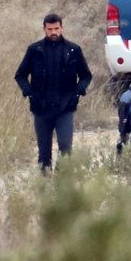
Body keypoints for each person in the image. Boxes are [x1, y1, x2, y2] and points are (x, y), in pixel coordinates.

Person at [13, 11, 94, 174]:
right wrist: (28, 91)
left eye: (56, 28)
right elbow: (20, 75)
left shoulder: (73, 50)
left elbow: (86, 76)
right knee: (44, 151)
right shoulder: (34, 50)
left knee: (65, 146)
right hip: (41, 107)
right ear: (44, 29)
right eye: (50, 29)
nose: (54, 32)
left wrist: (78, 92)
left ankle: (62, 180)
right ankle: (44, 183)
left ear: (62, 28)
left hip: (65, 107)